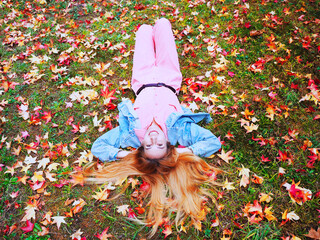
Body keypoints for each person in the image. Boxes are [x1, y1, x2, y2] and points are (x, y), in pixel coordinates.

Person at [82, 18, 222, 236]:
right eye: (160, 144)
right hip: (169, 77)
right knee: (163, 24)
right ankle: (162, 26)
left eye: (149, 144)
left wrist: (121, 155)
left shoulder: (131, 135)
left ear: (142, 146)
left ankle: (147, 31)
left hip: (142, 78)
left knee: (145, 30)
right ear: (168, 145)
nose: (154, 137)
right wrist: (184, 151)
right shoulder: (179, 132)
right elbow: (213, 142)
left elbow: (98, 147)